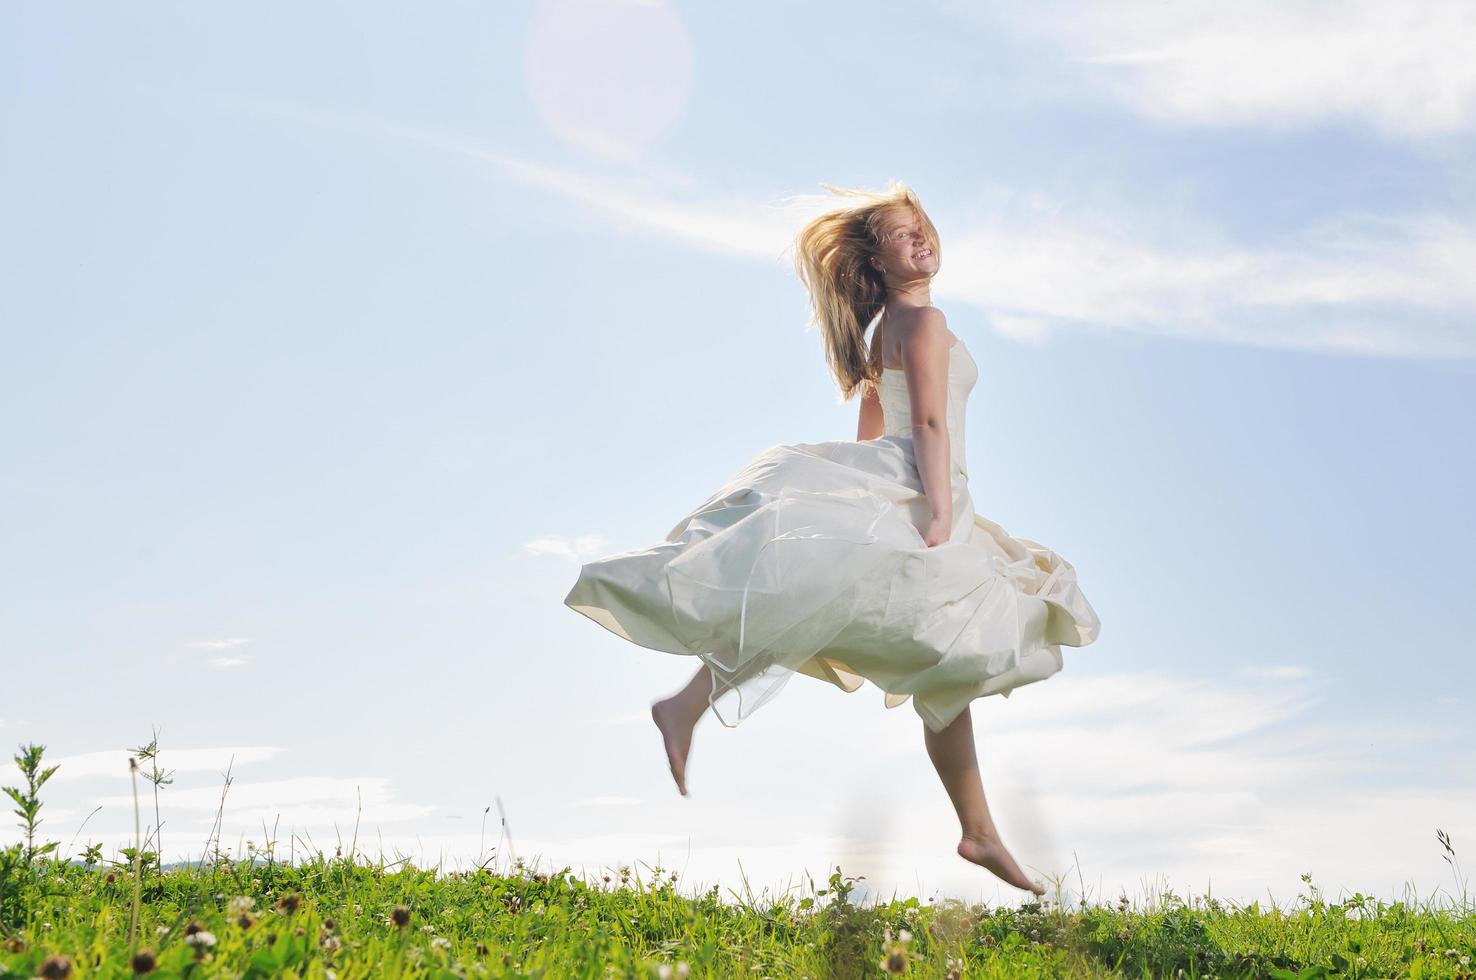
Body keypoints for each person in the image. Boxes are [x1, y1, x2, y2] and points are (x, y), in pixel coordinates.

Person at [563, 180, 1100, 895]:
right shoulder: (925, 323)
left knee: (895, 636)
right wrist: (938, 513)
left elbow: (872, 431)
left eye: (921, 227)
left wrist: (858, 499)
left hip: (904, 482)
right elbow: (931, 425)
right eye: (899, 236)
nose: (919, 239)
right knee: (922, 633)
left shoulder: (886, 334)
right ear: (875, 266)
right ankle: (974, 827)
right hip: (928, 488)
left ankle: (977, 830)